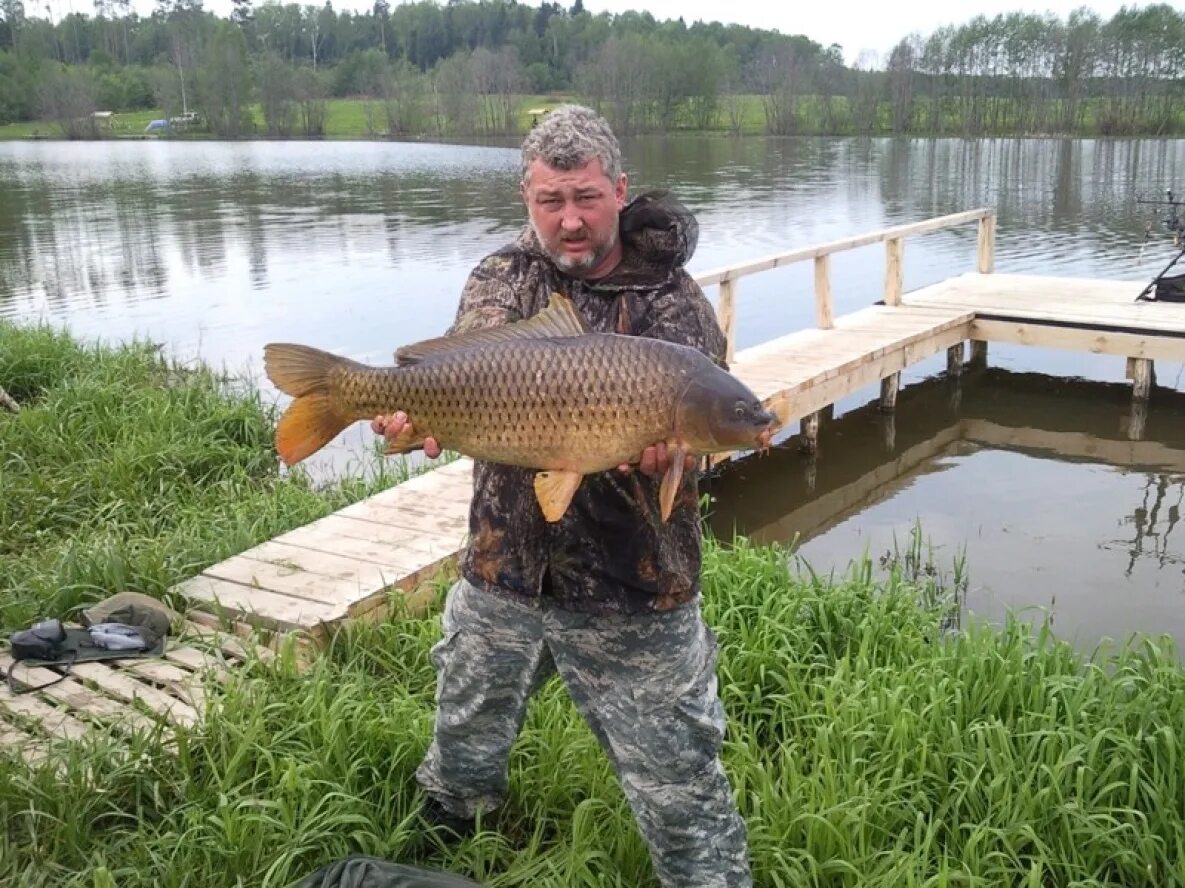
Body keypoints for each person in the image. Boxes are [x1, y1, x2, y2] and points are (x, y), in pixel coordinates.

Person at [372, 104, 752, 888]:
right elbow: (461, 374)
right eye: (552, 202)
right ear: (527, 198)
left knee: (679, 775)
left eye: (585, 198)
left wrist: (662, 461)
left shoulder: (675, 305)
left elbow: (707, 452)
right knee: (465, 728)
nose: (570, 222)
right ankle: (452, 840)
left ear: (619, 189)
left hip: (633, 584)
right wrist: (415, 418)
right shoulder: (501, 278)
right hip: (503, 564)